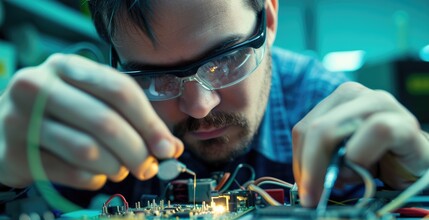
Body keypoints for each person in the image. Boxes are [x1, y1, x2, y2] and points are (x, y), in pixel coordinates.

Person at [1, 0, 428, 209]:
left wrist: (421, 177)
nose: (199, 107)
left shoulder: (330, 108)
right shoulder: (92, 126)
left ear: (270, 18)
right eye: (156, 76)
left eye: (225, 60)